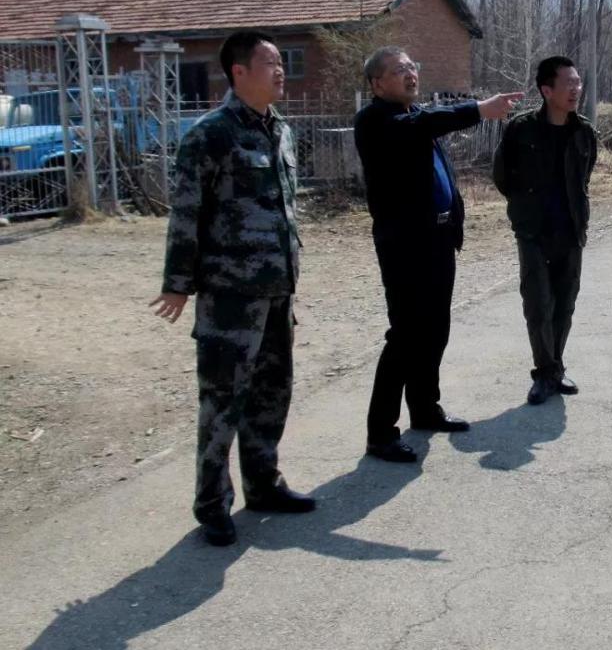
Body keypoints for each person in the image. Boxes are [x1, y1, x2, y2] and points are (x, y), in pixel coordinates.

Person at [150, 31, 314, 546]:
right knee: (223, 402)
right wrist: (177, 284)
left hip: (277, 289)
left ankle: (263, 485)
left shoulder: (281, 130)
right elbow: (186, 212)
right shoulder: (210, 134)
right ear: (238, 71)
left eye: (281, 61)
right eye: (270, 62)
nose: (280, 70)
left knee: (272, 393)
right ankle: (212, 504)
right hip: (229, 295)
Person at [354, 46, 523, 462]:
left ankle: (425, 408)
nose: (410, 74)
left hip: (438, 239)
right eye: (399, 70)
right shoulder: (376, 120)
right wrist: (479, 109)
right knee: (405, 335)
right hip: (404, 246)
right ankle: (381, 433)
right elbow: (426, 124)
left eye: (412, 66)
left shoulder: (414, 115)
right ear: (377, 83)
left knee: (434, 329)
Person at [492, 56, 598, 405]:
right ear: (547, 90)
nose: (576, 89)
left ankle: (555, 368)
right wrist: (525, 208)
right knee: (538, 304)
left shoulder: (584, 131)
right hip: (533, 232)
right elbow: (502, 176)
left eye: (578, 82)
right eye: (568, 83)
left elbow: (584, 178)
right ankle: (544, 372)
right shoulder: (521, 129)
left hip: (570, 231)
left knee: (565, 303)